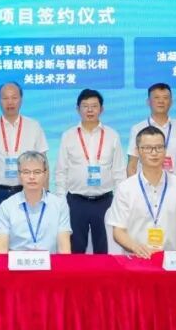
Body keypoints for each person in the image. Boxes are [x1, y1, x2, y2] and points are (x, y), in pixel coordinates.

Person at [108, 126, 176, 257]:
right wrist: (135, 247)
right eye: (147, 148)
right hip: (136, 258)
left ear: (165, 150)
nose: (154, 153)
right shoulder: (125, 188)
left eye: (159, 147)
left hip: (169, 260)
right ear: (138, 151)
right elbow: (118, 231)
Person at [0, 81, 49, 252]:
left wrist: (45, 194)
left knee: (29, 237)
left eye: (14, 97)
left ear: (21, 99)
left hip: (28, 190)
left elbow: (44, 162)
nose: (10, 102)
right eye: (5, 98)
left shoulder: (34, 126)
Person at [54, 88, 126, 254]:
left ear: (102, 109)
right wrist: (61, 200)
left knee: (105, 249)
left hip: (105, 202)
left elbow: (119, 172)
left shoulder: (112, 135)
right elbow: (61, 170)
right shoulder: (68, 136)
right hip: (76, 202)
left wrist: (119, 200)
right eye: (85, 106)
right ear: (77, 109)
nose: (90, 110)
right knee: (75, 250)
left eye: (94, 106)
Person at [0, 151, 71, 254]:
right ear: (19, 175)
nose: (32, 177)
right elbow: (1, 250)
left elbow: (64, 249)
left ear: (45, 174)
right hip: (17, 263)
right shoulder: (7, 206)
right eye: (26, 172)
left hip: (49, 263)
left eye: (37, 172)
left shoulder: (59, 205)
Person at [126, 83, 176, 187]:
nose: (161, 101)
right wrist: (133, 190)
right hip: (146, 188)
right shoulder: (137, 129)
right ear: (148, 102)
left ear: (171, 102)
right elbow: (132, 164)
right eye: (156, 98)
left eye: (165, 98)